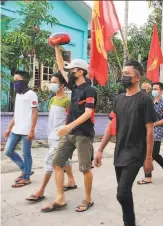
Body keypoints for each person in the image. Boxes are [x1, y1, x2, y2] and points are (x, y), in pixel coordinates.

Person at [94, 60, 156, 226]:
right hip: (119, 151)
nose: (123, 77)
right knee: (124, 192)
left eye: (127, 74)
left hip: (136, 152)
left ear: (137, 77)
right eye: (122, 74)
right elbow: (111, 125)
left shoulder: (145, 100)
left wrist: (148, 157)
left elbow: (150, 130)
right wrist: (100, 149)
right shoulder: (118, 99)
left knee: (122, 193)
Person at [41, 46, 97, 213]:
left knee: (85, 169)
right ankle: (60, 198)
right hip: (69, 133)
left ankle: (88, 199)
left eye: (73, 69)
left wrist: (68, 126)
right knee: (57, 163)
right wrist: (57, 48)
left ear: (80, 71)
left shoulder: (90, 90)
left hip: (83, 135)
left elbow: (88, 113)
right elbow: (60, 66)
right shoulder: (74, 86)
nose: (70, 72)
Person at [26, 72, 77, 202]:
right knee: (64, 160)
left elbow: (69, 119)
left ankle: (41, 190)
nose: (52, 84)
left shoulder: (67, 100)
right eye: (51, 81)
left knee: (50, 161)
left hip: (60, 137)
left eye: (54, 82)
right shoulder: (53, 99)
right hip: (51, 135)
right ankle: (71, 180)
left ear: (61, 85)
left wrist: (66, 133)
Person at [4, 70, 38, 188]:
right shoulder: (18, 95)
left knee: (26, 154)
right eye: (14, 80)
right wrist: (9, 127)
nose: (15, 83)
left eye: (17, 80)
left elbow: (34, 113)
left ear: (24, 81)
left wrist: (32, 130)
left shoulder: (31, 94)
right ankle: (25, 169)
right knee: (8, 151)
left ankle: (26, 178)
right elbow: (17, 114)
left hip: (26, 131)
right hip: (16, 129)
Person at [137, 82, 163, 184]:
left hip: (157, 132)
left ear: (161, 91)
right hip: (146, 131)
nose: (154, 91)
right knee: (146, 154)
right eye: (153, 89)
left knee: (154, 153)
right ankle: (148, 177)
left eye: (156, 89)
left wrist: (154, 124)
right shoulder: (148, 101)